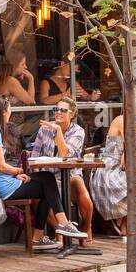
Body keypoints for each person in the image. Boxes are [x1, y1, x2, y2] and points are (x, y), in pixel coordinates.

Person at [0, 95, 85, 251]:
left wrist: (14, 174)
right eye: (9, 110)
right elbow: (0, 165)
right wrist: (17, 171)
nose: (10, 113)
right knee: (48, 182)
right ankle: (61, 226)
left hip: (0, 182)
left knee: (48, 181)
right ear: (2, 112)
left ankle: (43, 235)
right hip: (3, 187)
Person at [28, 95, 94, 242]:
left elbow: (64, 154)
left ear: (72, 113)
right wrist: (38, 177)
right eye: (56, 109)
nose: (58, 112)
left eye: (63, 110)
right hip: (48, 176)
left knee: (81, 189)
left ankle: (85, 228)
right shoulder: (44, 129)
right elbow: (34, 157)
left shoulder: (78, 131)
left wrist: (58, 131)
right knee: (39, 195)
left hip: (69, 174)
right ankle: (63, 232)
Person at [89, 93, 136, 235]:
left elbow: (132, 147)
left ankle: (124, 219)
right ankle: (122, 219)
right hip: (108, 168)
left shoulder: (130, 123)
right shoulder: (122, 120)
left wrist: (128, 154)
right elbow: (130, 143)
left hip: (120, 167)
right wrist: (126, 155)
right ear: (134, 110)